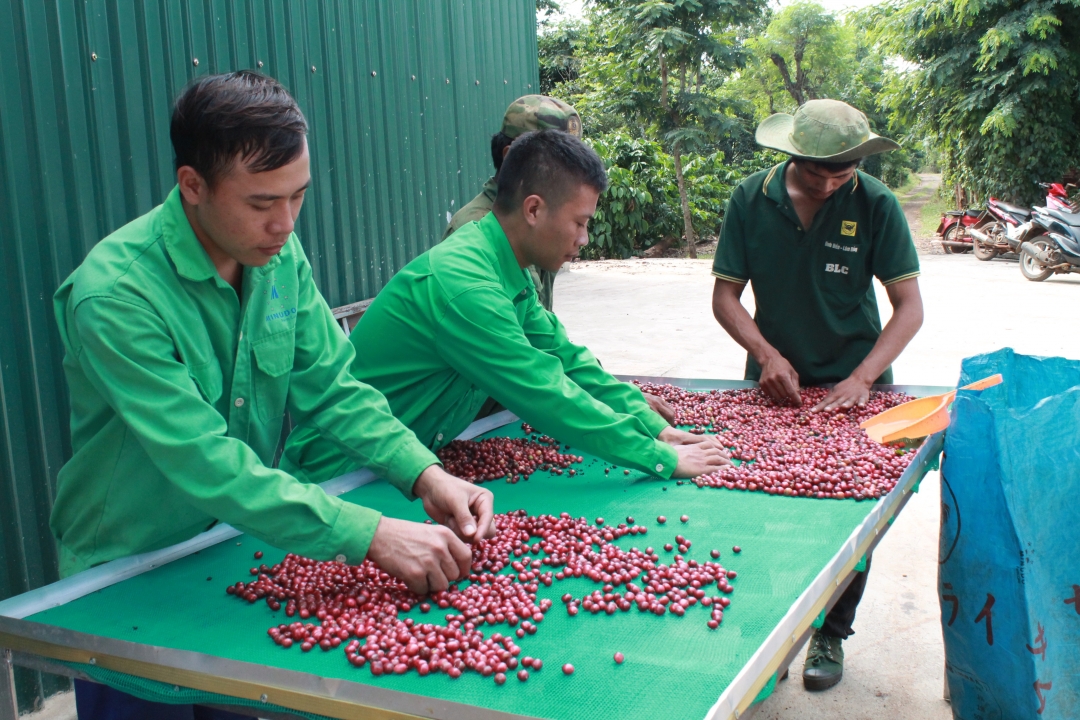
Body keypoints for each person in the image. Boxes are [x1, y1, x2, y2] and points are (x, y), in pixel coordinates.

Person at [52, 72, 493, 719]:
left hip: (234, 548)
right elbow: (205, 460)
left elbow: (335, 387)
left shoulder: (277, 258)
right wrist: (369, 534)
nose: (284, 224)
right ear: (193, 186)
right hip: (126, 575)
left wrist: (423, 472)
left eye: (299, 197)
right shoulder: (117, 296)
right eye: (262, 202)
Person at [283, 130, 731, 487]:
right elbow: (542, 390)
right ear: (534, 209)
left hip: (397, 461)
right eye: (580, 223)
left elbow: (565, 359)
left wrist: (650, 423)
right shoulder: (465, 284)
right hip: (337, 474)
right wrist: (659, 458)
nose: (584, 240)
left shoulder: (505, 268)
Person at [710, 99, 924, 691]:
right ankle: (775, 620)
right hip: (775, 386)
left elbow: (909, 309)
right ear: (790, 157)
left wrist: (863, 377)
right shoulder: (750, 199)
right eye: (816, 172)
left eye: (843, 173)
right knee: (768, 501)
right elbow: (726, 297)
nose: (830, 183)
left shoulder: (875, 203)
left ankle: (831, 628)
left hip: (856, 384)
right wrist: (768, 355)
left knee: (848, 510)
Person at [443, 94, 678, 424]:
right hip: (476, 411)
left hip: (512, 401)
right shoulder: (479, 234)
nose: (582, 238)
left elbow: (548, 340)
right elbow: (517, 365)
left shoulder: (539, 227)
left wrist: (613, 393)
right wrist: (651, 446)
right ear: (514, 158)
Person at [442, 94, 581, 312]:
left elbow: (539, 332)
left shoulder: (541, 218)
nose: (573, 176)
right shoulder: (472, 230)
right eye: (561, 164)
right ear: (511, 158)